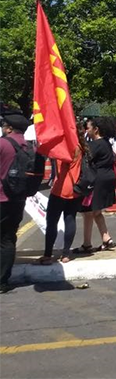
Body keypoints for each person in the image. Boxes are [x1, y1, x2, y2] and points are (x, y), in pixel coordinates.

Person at [36, 126, 87, 264]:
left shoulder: (64, 148)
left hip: (60, 189)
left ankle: (48, 254)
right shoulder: (80, 146)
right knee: (70, 219)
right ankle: (66, 254)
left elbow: (52, 157)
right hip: (76, 189)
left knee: (52, 221)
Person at [74, 117, 116, 254]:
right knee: (96, 212)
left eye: (87, 128)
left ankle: (87, 244)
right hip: (107, 178)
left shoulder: (95, 144)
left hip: (96, 180)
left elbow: (82, 157)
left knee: (87, 212)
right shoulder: (106, 143)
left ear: (95, 129)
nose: (86, 130)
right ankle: (107, 238)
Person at [0, 109, 32, 291]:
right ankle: (3, 281)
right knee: (8, 238)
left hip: (1, 198)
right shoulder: (28, 147)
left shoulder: (2, 144)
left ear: (10, 128)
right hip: (18, 199)